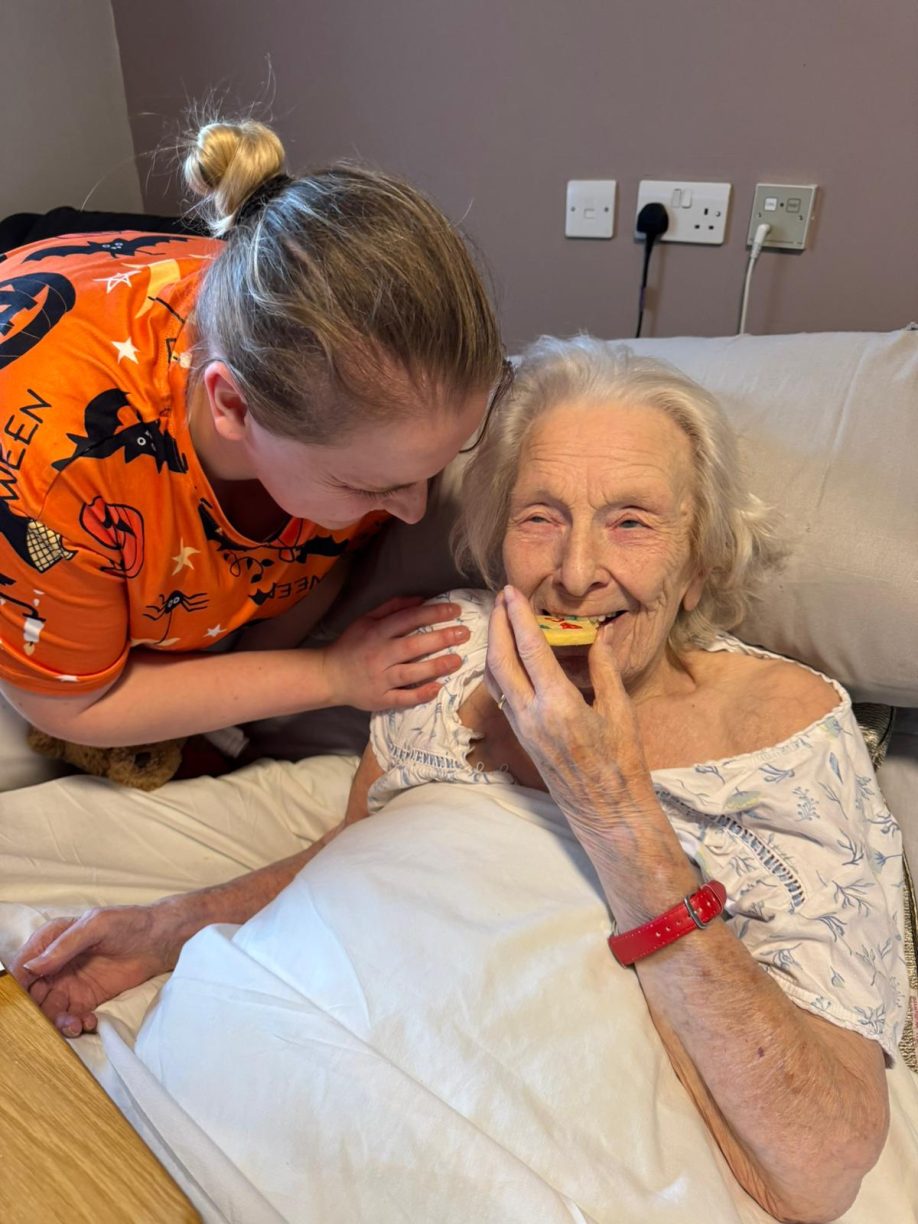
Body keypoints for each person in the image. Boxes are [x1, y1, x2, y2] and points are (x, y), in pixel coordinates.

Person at [11, 339, 906, 1221]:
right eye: (540, 515)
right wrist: (168, 926)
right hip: (262, 1068)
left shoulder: (789, 725)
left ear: (701, 559)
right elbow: (354, 860)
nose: (576, 572)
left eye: (632, 520)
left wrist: (607, 801)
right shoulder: (449, 648)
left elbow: (817, 1167)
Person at [0, 116, 508, 749]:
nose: (413, 511)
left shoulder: (359, 412)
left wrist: (236, 701)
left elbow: (316, 562)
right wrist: (329, 675)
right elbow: (70, 707)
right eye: (371, 486)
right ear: (234, 408)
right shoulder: (54, 475)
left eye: (430, 470)